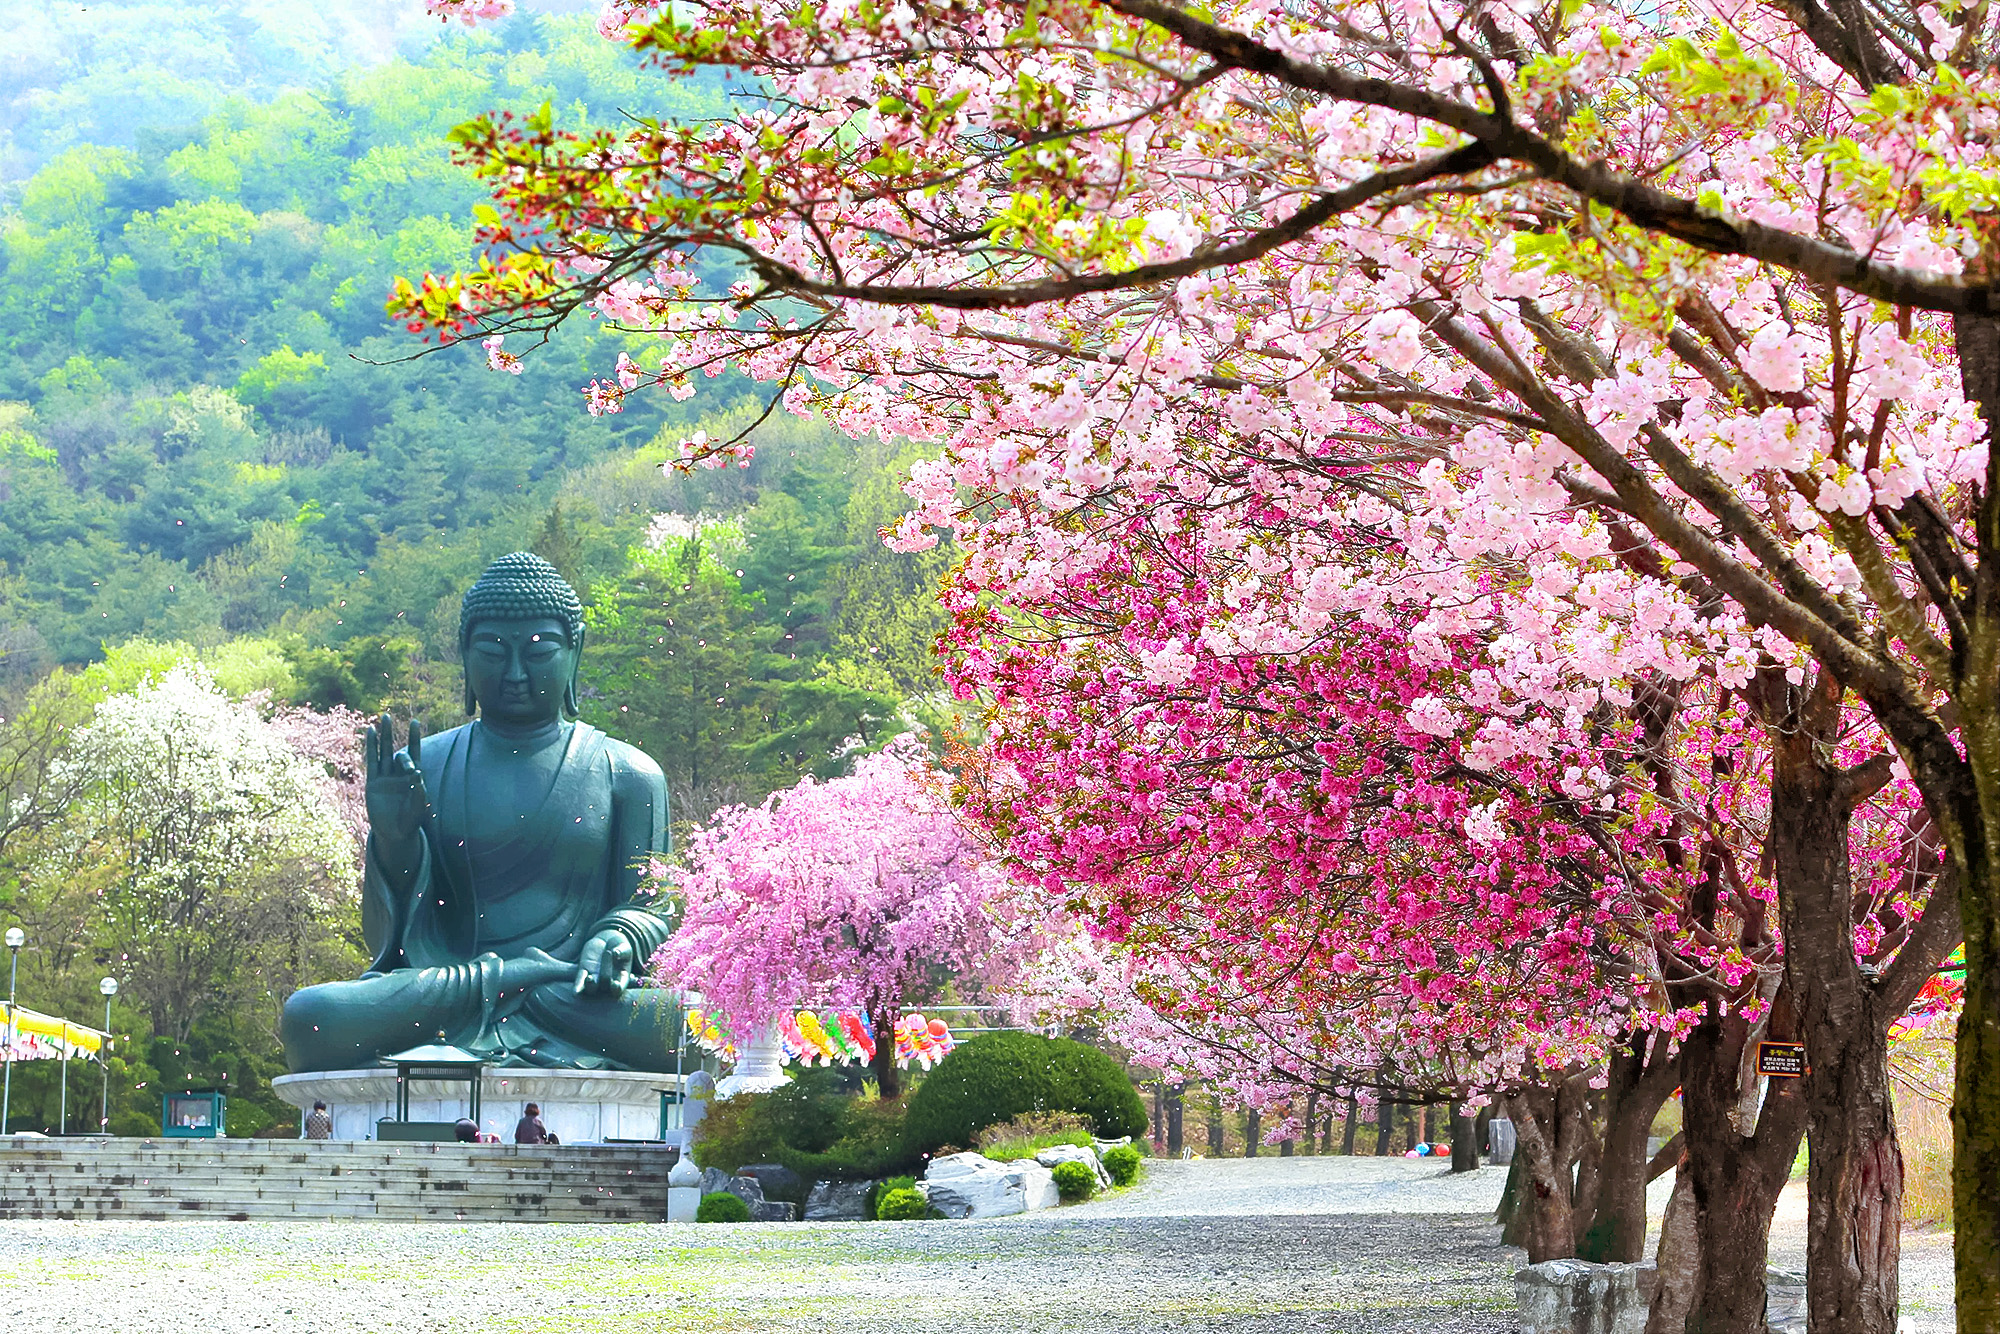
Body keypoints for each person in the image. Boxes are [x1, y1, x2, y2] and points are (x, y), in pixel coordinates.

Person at [278, 553, 681, 1074]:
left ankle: (527, 988)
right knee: (311, 1018)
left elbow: (654, 909)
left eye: (540, 651)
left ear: (575, 650)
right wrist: (393, 841)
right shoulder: (430, 765)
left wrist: (618, 936)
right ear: (466, 655)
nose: (515, 673)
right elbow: (390, 941)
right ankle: (520, 984)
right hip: (456, 987)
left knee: (704, 1028)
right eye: (493, 652)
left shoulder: (628, 772)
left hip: (574, 993)